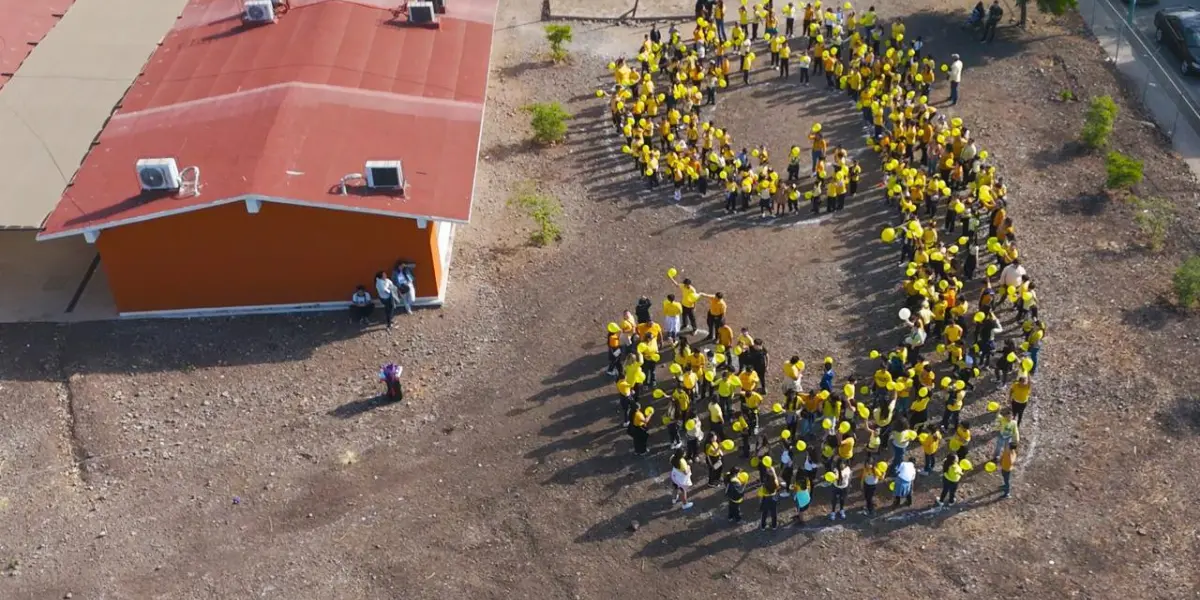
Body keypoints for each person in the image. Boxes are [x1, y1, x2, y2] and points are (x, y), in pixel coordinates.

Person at [759, 461, 780, 530]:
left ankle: (763, 526)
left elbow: (761, 491)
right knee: (774, 512)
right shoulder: (775, 481)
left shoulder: (765, 480)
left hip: (766, 498)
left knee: (764, 512)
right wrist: (774, 474)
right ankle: (774, 526)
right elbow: (777, 486)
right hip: (773, 497)